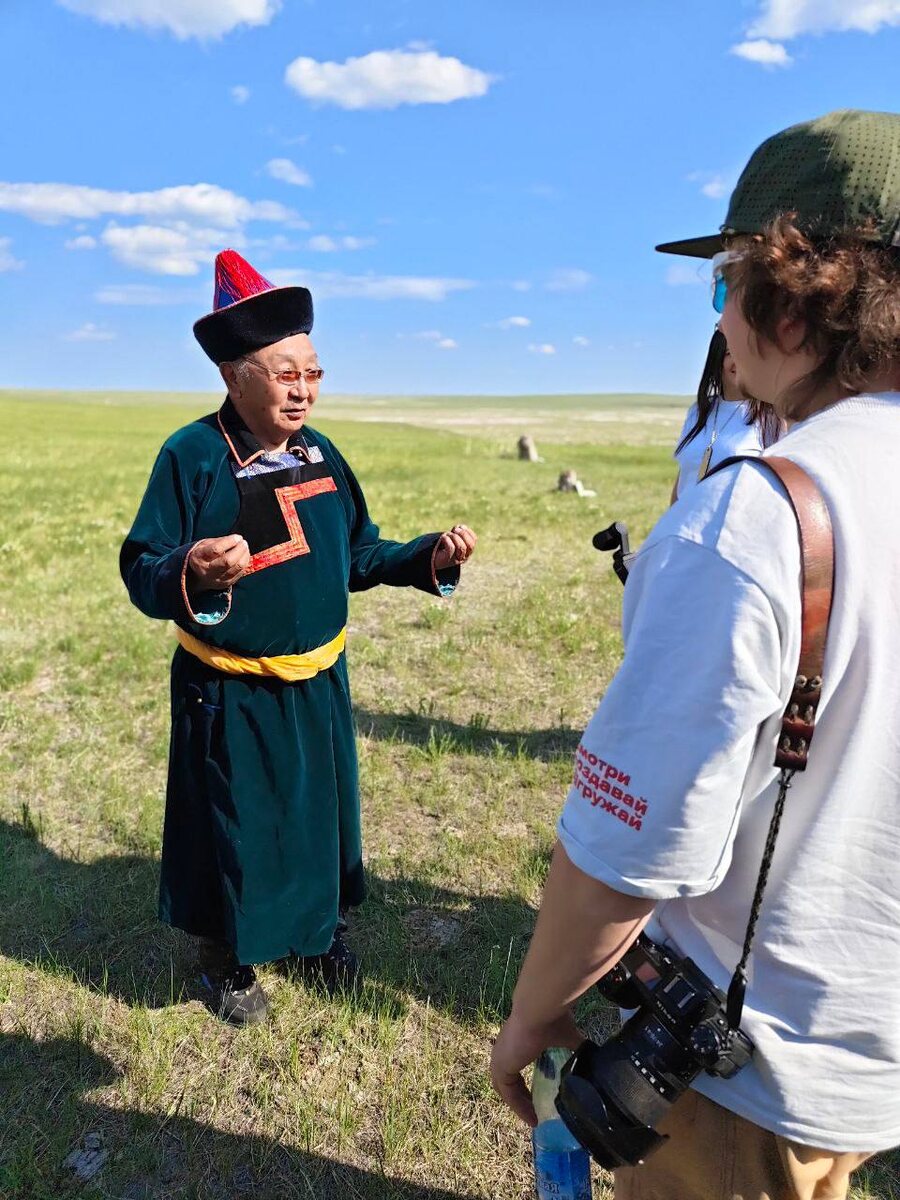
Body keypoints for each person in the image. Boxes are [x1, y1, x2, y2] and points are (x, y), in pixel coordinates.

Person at [490, 108, 900, 1200]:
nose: (719, 320)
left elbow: (624, 851)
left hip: (747, 1074)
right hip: (874, 1059)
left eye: (726, 283)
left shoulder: (755, 521)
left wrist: (532, 1015)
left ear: (794, 295)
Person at [121, 250, 477, 1026]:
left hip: (320, 678)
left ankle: (315, 936)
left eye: (312, 374)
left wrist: (427, 556)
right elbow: (142, 566)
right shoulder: (192, 456)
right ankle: (226, 960)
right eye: (286, 374)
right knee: (238, 824)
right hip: (230, 687)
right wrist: (191, 570)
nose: (303, 389)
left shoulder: (321, 452)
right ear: (234, 376)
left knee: (317, 816)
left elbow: (358, 552)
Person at [671, 329, 778, 503]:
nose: (739, 361)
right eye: (730, 353)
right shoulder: (698, 410)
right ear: (717, 358)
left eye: (746, 354)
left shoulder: (772, 418)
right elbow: (684, 477)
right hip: (686, 518)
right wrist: (673, 516)